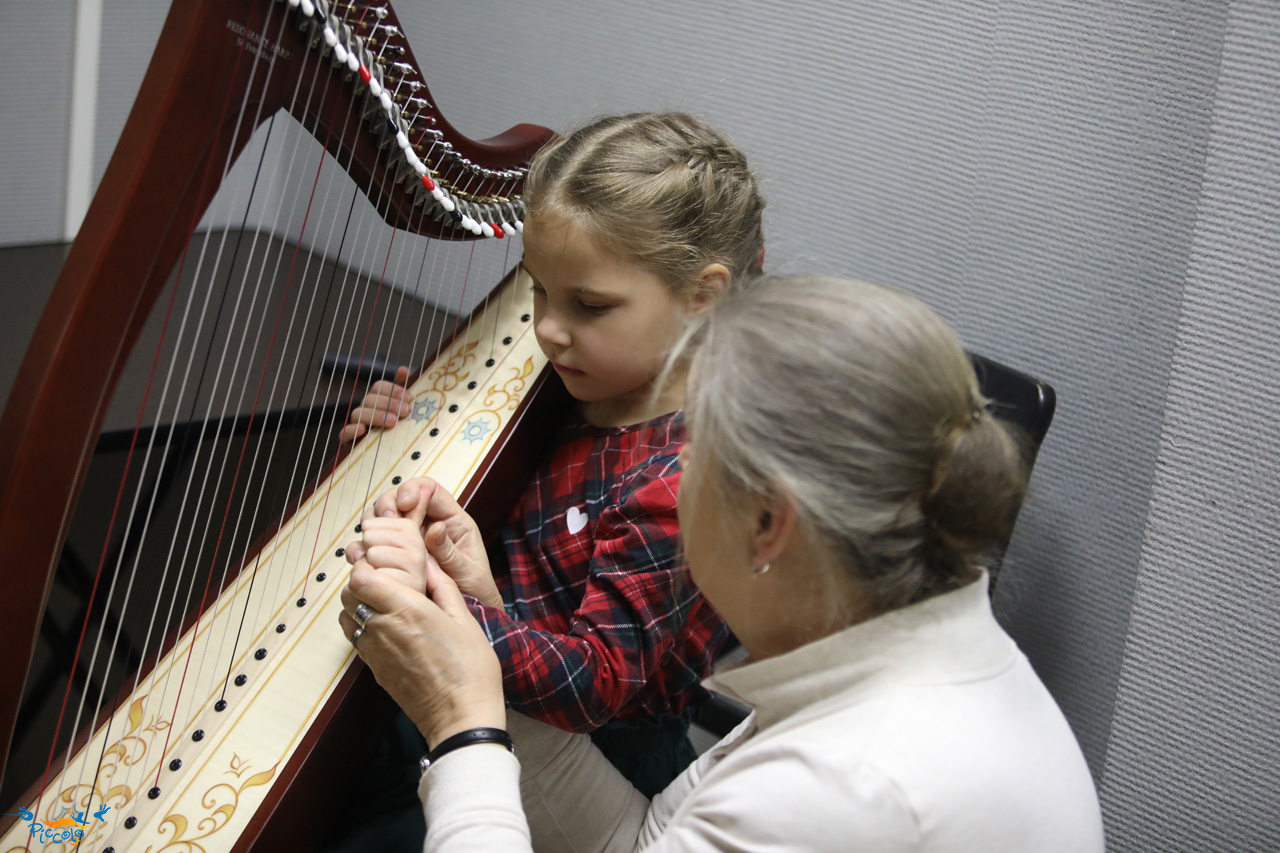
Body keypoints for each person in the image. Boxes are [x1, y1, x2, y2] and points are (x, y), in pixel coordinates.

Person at [341, 274, 1107, 851]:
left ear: (768, 523)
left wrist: (462, 727)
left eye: (682, 454)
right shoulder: (889, 652)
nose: (656, 478)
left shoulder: (846, 784)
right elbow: (641, 839)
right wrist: (486, 624)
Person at [338, 112, 766, 815]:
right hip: (484, 694)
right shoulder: (579, 384)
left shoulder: (680, 482)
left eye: (588, 305)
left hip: (590, 769)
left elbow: (594, 683)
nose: (546, 328)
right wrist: (384, 448)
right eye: (537, 289)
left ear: (702, 295)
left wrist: (445, 605)